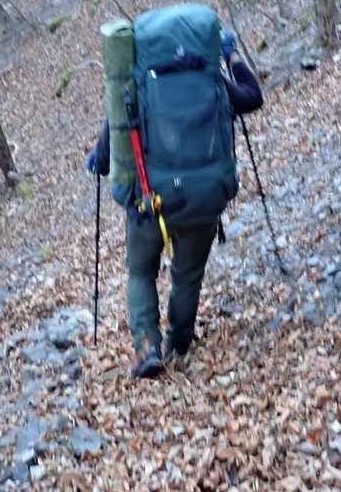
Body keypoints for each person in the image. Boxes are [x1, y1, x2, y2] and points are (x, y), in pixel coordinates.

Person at [87, 30, 263, 378]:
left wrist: (98, 160)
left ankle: (148, 347)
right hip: (202, 198)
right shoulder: (211, 82)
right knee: (187, 274)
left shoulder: (137, 87)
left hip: (150, 201)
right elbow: (253, 96)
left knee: (141, 272)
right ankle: (179, 343)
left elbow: (111, 144)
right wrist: (231, 56)